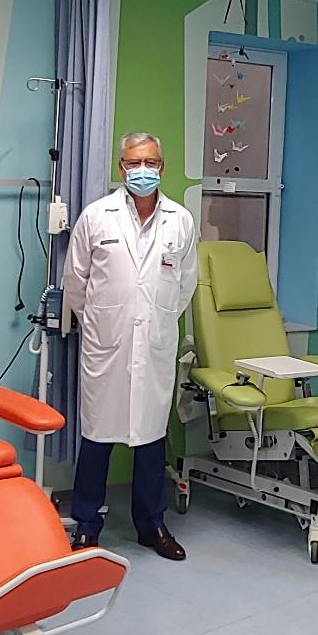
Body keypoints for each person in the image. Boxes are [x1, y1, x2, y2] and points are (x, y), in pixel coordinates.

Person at [62, 132, 197, 561]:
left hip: (154, 343)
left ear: (162, 167)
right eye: (134, 162)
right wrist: (102, 322)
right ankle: (87, 525)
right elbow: (75, 282)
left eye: (151, 162)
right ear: (121, 167)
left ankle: (151, 524)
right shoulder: (96, 216)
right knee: (97, 438)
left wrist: (155, 319)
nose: (143, 170)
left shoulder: (180, 220)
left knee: (151, 438)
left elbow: (185, 285)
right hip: (107, 343)